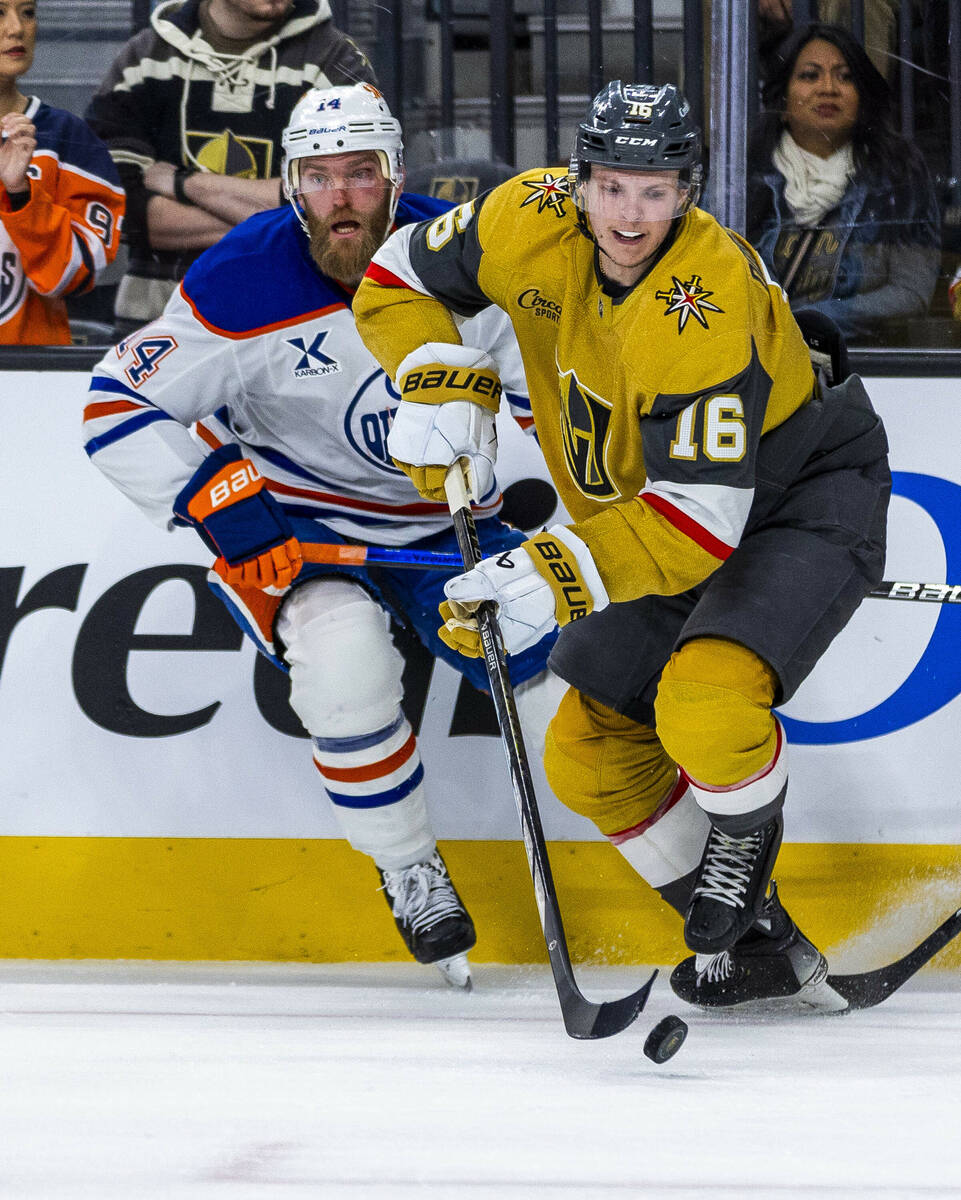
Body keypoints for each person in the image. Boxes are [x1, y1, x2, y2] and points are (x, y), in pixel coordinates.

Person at [352, 80, 891, 1011]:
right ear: (578, 179)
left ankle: (739, 852)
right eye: (610, 187)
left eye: (653, 190)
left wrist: (549, 573)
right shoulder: (524, 215)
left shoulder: (704, 298)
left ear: (688, 190)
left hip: (791, 494)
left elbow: (696, 530)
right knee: (587, 756)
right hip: (651, 511)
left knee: (706, 707)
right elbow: (395, 275)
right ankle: (761, 945)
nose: (629, 214)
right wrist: (435, 375)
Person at [82, 83, 562, 990]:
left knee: (560, 687)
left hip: (445, 521)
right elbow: (116, 402)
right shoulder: (242, 274)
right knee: (343, 670)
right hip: (300, 526)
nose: (341, 196)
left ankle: (700, 884)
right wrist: (220, 506)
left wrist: (523, 482)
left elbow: (543, 391)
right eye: (319, 177)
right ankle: (407, 866)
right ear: (291, 186)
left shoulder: (464, 259)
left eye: (360, 173)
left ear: (395, 177)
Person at [85, 0, 377, 337]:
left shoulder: (335, 60)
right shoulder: (145, 59)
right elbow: (118, 209)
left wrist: (183, 183)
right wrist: (277, 224)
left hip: (298, 329)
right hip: (157, 327)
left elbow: (342, 204)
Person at [746, 22, 941, 345]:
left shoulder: (899, 172)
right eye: (810, 75)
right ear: (782, 102)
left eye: (845, 76)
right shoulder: (744, 171)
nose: (828, 88)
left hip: (864, 366)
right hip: (760, 365)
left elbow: (911, 292)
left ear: (862, 99)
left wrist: (810, 324)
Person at [0, 0, 124, 344]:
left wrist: (21, 195)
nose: (17, 29)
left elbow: (70, 277)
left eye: (27, 12)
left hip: (30, 378)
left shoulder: (66, 139)